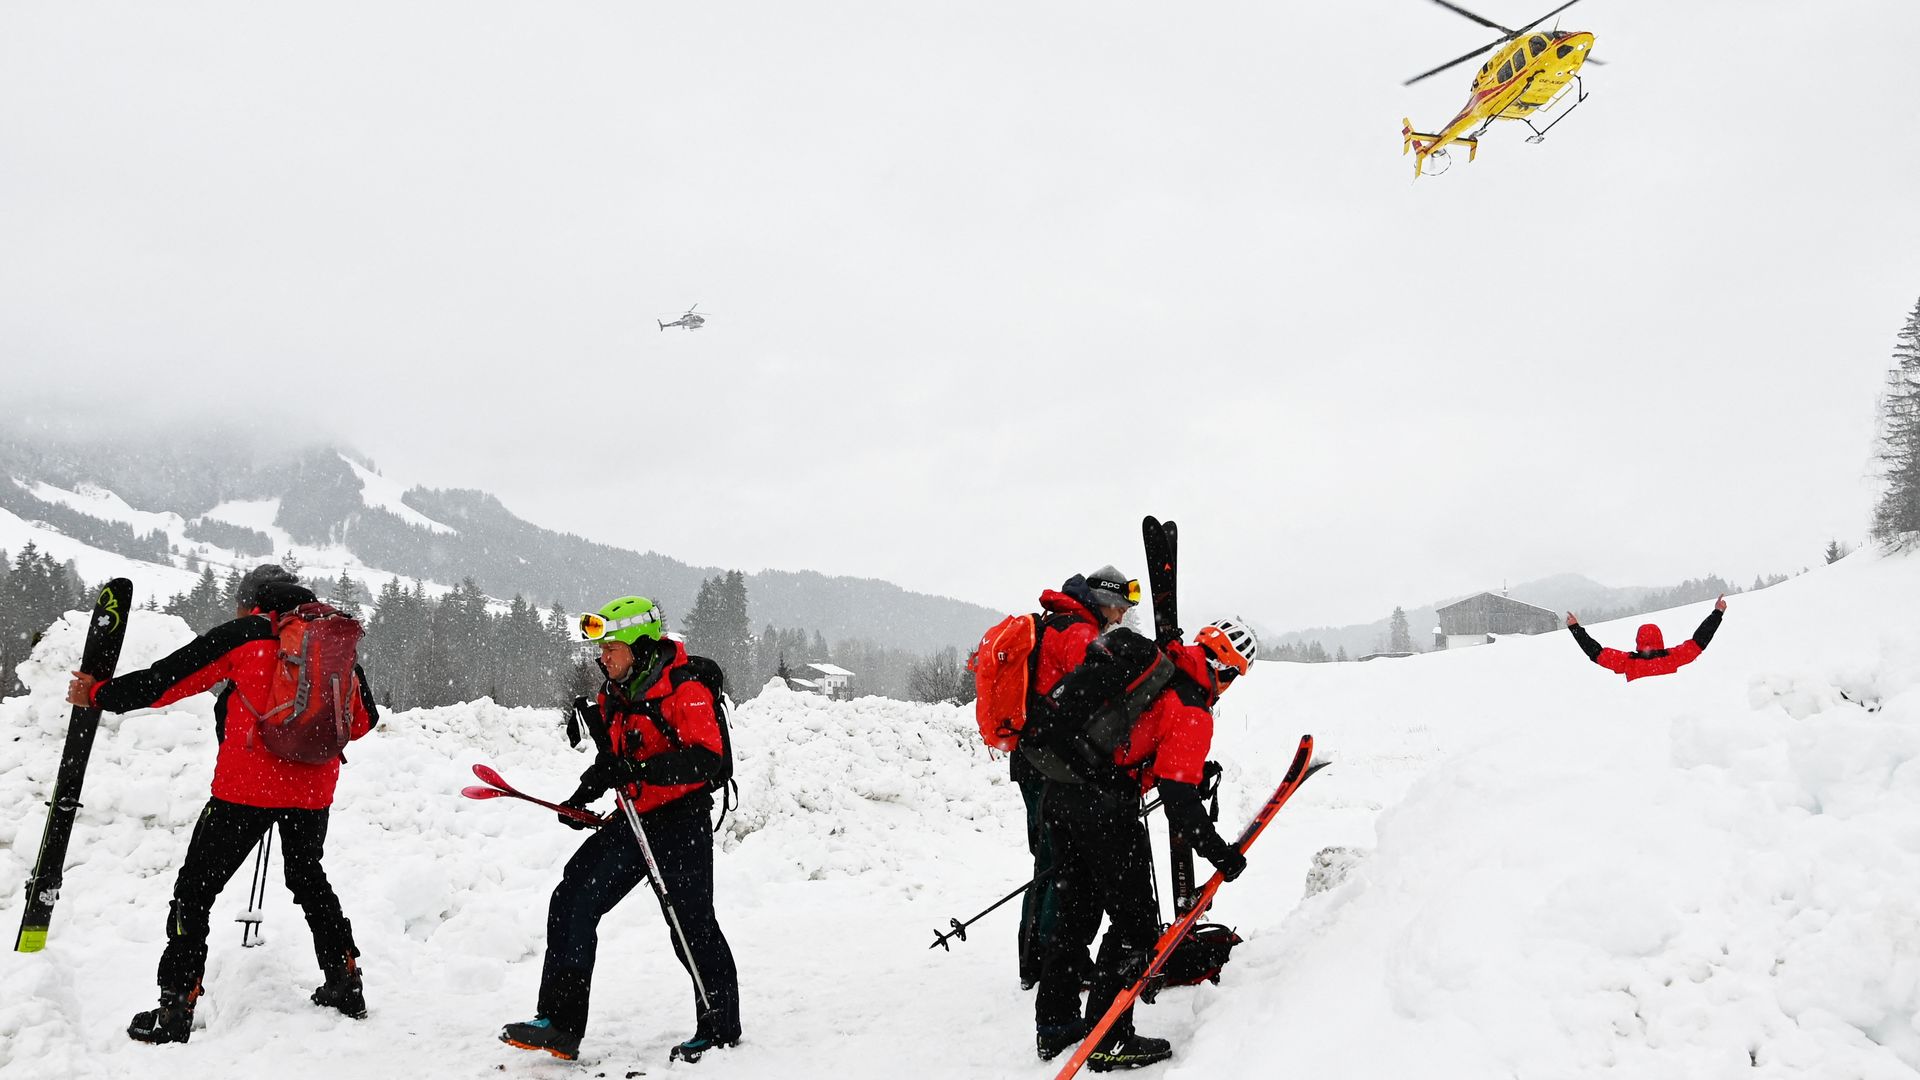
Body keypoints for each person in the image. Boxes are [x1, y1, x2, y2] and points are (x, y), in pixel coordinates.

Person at [65, 564, 378, 1044]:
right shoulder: (329, 641)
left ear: (254, 600)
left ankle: (175, 1008)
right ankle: (345, 981)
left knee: (195, 892)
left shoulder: (246, 634)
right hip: (312, 791)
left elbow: (166, 681)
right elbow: (362, 721)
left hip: (244, 792)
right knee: (308, 878)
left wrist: (100, 694)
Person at [500, 595, 741, 1064]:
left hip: (682, 819)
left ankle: (720, 1025)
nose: (601, 657)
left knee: (689, 924)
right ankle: (561, 1024)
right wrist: (581, 797)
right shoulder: (616, 695)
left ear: (639, 645)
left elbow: (706, 759)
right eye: (600, 649)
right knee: (573, 897)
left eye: (611, 647)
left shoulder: (685, 687)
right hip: (634, 818)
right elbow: (611, 763)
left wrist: (637, 770)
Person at [1034, 616, 1258, 1072]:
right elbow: (1178, 800)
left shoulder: (1164, 663)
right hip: (1104, 807)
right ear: (1229, 672)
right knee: (1136, 925)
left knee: (1076, 908)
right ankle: (1110, 1039)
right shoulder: (1193, 707)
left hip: (1062, 787)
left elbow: (1144, 741)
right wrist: (1221, 854)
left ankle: (1055, 1025)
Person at [1015, 566, 1139, 988]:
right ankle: (1048, 962)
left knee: (1049, 860)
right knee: (1058, 863)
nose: (1120, 617)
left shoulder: (1059, 622)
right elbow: (1091, 692)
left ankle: (1037, 958)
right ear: (1103, 600)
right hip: (1050, 762)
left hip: (1035, 757)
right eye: (1119, 607)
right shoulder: (1078, 633)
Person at [1566, 596, 1727, 681]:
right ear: (1660, 638)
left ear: (1638, 641)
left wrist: (1575, 629)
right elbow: (1698, 642)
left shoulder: (1628, 662)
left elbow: (1596, 653)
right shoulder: (1672, 658)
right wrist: (1717, 614)